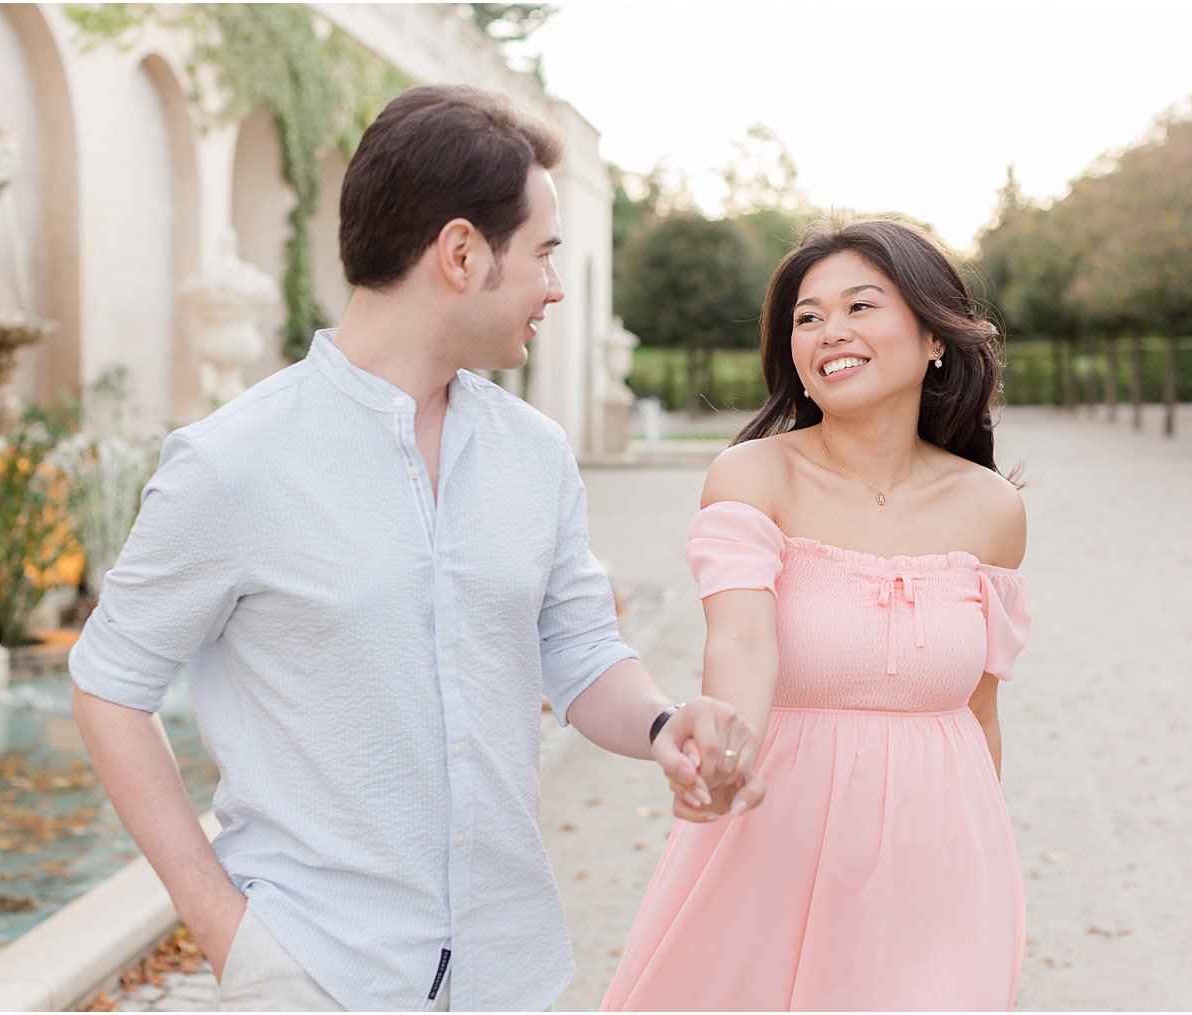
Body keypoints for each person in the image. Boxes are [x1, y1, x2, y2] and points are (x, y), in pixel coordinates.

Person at [67, 84, 764, 1013]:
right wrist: (229, 932)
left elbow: (582, 648)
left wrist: (660, 725)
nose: (557, 287)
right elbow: (110, 683)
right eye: (544, 255)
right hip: (312, 972)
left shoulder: (536, 453)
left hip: (506, 970)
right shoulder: (231, 465)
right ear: (463, 253)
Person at [602, 216, 1032, 1011]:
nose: (829, 330)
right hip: (776, 844)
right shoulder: (751, 477)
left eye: (862, 306)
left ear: (935, 337)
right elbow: (739, 642)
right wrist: (720, 755)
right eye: (807, 316)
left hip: (939, 860)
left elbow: (979, 710)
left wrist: (976, 865)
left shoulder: (993, 510)